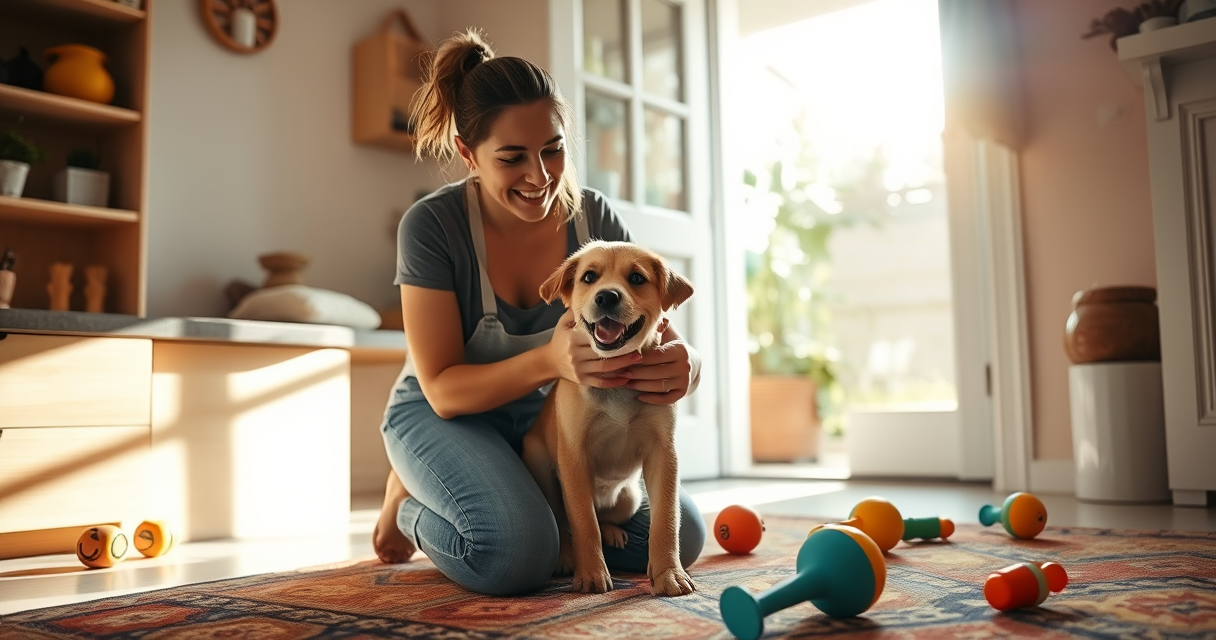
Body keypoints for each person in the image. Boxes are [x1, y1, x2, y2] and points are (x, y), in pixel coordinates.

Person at [372, 29, 706, 596]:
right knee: (519, 556)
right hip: (448, 415)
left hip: (551, 423)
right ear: (467, 153)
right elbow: (444, 390)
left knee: (683, 536)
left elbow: (653, 316)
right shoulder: (431, 227)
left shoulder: (592, 216)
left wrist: (689, 365)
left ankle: (494, 494)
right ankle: (411, 500)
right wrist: (551, 358)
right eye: (512, 158)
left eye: (553, 148)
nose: (541, 176)